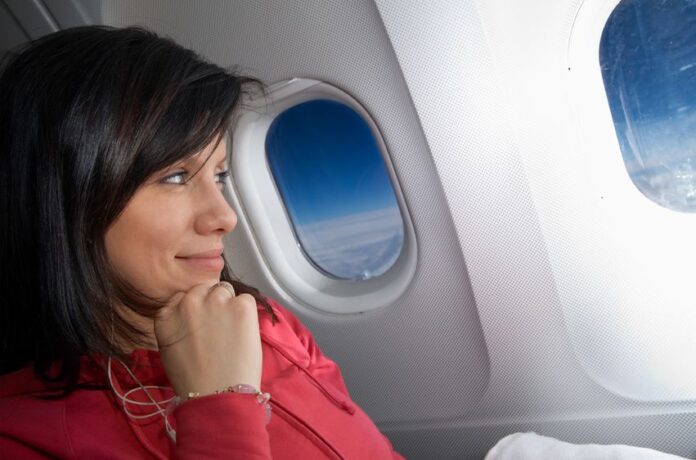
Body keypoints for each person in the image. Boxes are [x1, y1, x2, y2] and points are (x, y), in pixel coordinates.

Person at [0, 26, 403, 459]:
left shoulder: (265, 321)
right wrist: (219, 404)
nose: (225, 217)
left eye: (220, 175)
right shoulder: (22, 438)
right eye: (175, 176)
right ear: (64, 200)